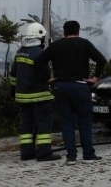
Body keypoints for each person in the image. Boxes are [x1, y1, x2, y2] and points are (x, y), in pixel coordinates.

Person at [35, 20, 107, 165]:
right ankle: (88, 154)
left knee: (67, 123)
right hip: (80, 86)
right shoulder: (84, 44)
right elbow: (101, 60)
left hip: (61, 87)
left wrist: (48, 78)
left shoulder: (55, 46)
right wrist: (95, 77)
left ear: (64, 31)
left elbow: (38, 62)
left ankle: (71, 156)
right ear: (78, 31)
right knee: (84, 122)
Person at [10, 23, 61, 162]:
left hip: (22, 97)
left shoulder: (20, 52)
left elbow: (13, 75)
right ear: (40, 37)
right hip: (40, 96)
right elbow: (45, 74)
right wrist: (51, 80)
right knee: (44, 124)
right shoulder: (39, 53)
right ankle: (44, 153)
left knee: (26, 125)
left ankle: (26, 153)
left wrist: (13, 90)